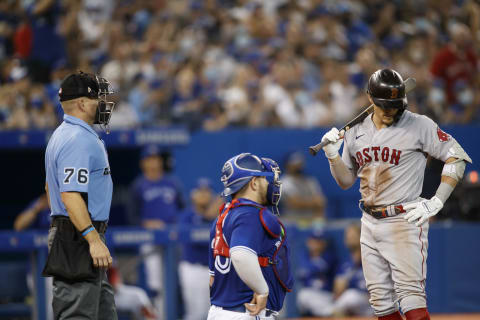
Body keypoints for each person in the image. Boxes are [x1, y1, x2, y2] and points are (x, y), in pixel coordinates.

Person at [320, 68, 472, 320]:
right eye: (384, 104)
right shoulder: (357, 130)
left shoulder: (419, 124)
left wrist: (437, 200)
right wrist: (333, 155)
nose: (391, 110)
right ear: (370, 98)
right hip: (368, 222)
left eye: (395, 104)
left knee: (411, 300)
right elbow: (345, 181)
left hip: (404, 219)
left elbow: (457, 156)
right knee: (381, 304)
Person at [43, 71, 117, 319]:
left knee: (103, 312)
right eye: (98, 98)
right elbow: (70, 196)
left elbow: (48, 188)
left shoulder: (66, 134)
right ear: (83, 103)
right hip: (78, 237)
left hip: (77, 232)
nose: (104, 104)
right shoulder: (77, 139)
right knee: (78, 315)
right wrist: (92, 238)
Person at [208, 153, 294, 319]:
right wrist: (262, 291)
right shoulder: (249, 214)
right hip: (246, 312)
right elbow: (241, 255)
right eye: (265, 179)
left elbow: (212, 279)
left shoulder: (223, 215)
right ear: (254, 182)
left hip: (221, 311)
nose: (272, 184)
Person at [130, 144, 185, 315]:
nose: (153, 163)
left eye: (156, 159)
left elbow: (182, 209)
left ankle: (171, 314)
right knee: (155, 282)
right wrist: (146, 223)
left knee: (176, 279)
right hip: (150, 239)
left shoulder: (172, 183)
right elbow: (132, 216)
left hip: (172, 237)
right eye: (149, 159)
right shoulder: (139, 185)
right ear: (143, 163)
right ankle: (160, 315)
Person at [178, 178, 219, 320]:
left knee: (213, 312)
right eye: (200, 192)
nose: (204, 195)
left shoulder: (219, 217)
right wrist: (207, 217)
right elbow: (194, 240)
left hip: (213, 270)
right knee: (194, 313)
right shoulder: (186, 215)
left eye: (207, 192)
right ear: (192, 195)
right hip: (192, 268)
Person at [332, 223, 372, 317]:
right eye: (347, 236)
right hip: (351, 305)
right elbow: (337, 292)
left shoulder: (371, 258)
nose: (349, 239)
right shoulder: (346, 264)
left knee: (350, 296)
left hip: (370, 305)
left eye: (352, 236)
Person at [296, 228, 337, 317]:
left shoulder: (329, 257)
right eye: (314, 240)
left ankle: (332, 313)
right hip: (311, 295)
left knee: (304, 295)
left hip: (326, 295)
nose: (316, 244)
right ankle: (331, 312)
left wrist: (308, 268)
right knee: (303, 295)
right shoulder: (304, 257)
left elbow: (318, 268)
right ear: (308, 242)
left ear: (324, 243)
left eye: (319, 241)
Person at [281, 151, 326, 227]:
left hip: (312, 221)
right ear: (288, 165)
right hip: (292, 221)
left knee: (320, 224)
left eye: (299, 163)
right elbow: (294, 203)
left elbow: (321, 202)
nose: (298, 166)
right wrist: (313, 203)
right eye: (294, 164)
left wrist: (306, 203)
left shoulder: (310, 181)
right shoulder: (284, 181)